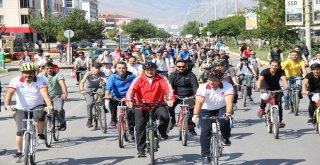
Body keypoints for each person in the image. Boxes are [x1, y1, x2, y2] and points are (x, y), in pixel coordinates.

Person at [125, 62, 175, 157]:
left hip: (157, 104)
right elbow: (131, 91)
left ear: (155, 69)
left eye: (152, 69)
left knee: (166, 117)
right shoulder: (139, 79)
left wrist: (170, 99)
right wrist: (129, 101)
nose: (149, 71)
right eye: (147, 69)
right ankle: (141, 150)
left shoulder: (161, 78)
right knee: (140, 127)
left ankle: (161, 131)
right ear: (144, 70)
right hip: (142, 105)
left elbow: (169, 89)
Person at [4, 63, 53, 159]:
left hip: (37, 105)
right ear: (22, 73)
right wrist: (7, 105)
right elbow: (9, 93)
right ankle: (19, 151)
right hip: (21, 107)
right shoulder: (16, 81)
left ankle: (40, 133)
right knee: (20, 131)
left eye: (30, 73)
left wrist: (49, 105)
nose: (28, 76)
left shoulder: (40, 80)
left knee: (40, 117)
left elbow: (44, 94)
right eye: (25, 73)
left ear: (34, 73)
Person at [192, 68, 234, 164]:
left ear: (220, 80)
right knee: (205, 131)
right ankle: (205, 156)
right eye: (210, 79)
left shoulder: (227, 86)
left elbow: (229, 101)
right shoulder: (202, 87)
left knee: (224, 120)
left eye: (214, 80)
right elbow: (199, 102)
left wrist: (228, 113)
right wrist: (195, 115)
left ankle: (225, 137)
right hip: (205, 110)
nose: (212, 82)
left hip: (221, 108)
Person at [104, 62, 136, 134]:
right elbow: (108, 87)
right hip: (116, 96)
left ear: (126, 68)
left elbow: (137, 86)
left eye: (123, 68)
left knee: (131, 113)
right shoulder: (113, 77)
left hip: (128, 98)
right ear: (116, 69)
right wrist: (106, 96)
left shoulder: (132, 76)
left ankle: (131, 133)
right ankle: (113, 119)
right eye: (119, 68)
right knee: (111, 102)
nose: (121, 70)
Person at [168, 60, 199, 134]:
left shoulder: (191, 75)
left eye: (183, 66)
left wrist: (196, 95)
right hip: (176, 96)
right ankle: (172, 121)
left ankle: (191, 127)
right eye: (179, 67)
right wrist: (170, 98)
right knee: (169, 107)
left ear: (186, 66)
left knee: (192, 108)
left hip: (189, 96)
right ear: (176, 67)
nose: (181, 68)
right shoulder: (173, 75)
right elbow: (168, 87)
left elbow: (195, 86)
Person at [257, 60, 288, 127]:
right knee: (265, 97)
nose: (274, 67)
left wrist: (287, 87)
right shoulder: (265, 71)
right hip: (265, 86)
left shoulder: (281, 71)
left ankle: (280, 121)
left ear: (279, 66)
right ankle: (262, 109)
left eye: (276, 65)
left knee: (279, 104)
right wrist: (259, 88)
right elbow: (260, 80)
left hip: (276, 88)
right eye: (272, 65)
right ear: (269, 65)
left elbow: (284, 79)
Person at [39, 62, 68, 130]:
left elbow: (62, 84)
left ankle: (62, 122)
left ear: (53, 68)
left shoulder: (58, 75)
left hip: (57, 96)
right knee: (42, 111)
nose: (49, 70)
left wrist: (64, 93)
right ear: (44, 69)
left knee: (59, 110)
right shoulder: (41, 76)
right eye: (47, 68)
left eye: (51, 68)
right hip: (45, 97)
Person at [79, 63, 107, 127]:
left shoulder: (101, 73)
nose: (97, 70)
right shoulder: (88, 73)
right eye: (96, 68)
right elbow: (82, 82)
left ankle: (102, 106)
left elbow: (106, 80)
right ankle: (89, 120)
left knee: (103, 93)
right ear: (92, 68)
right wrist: (81, 90)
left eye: (99, 68)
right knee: (90, 103)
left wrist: (109, 87)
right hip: (88, 89)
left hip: (97, 88)